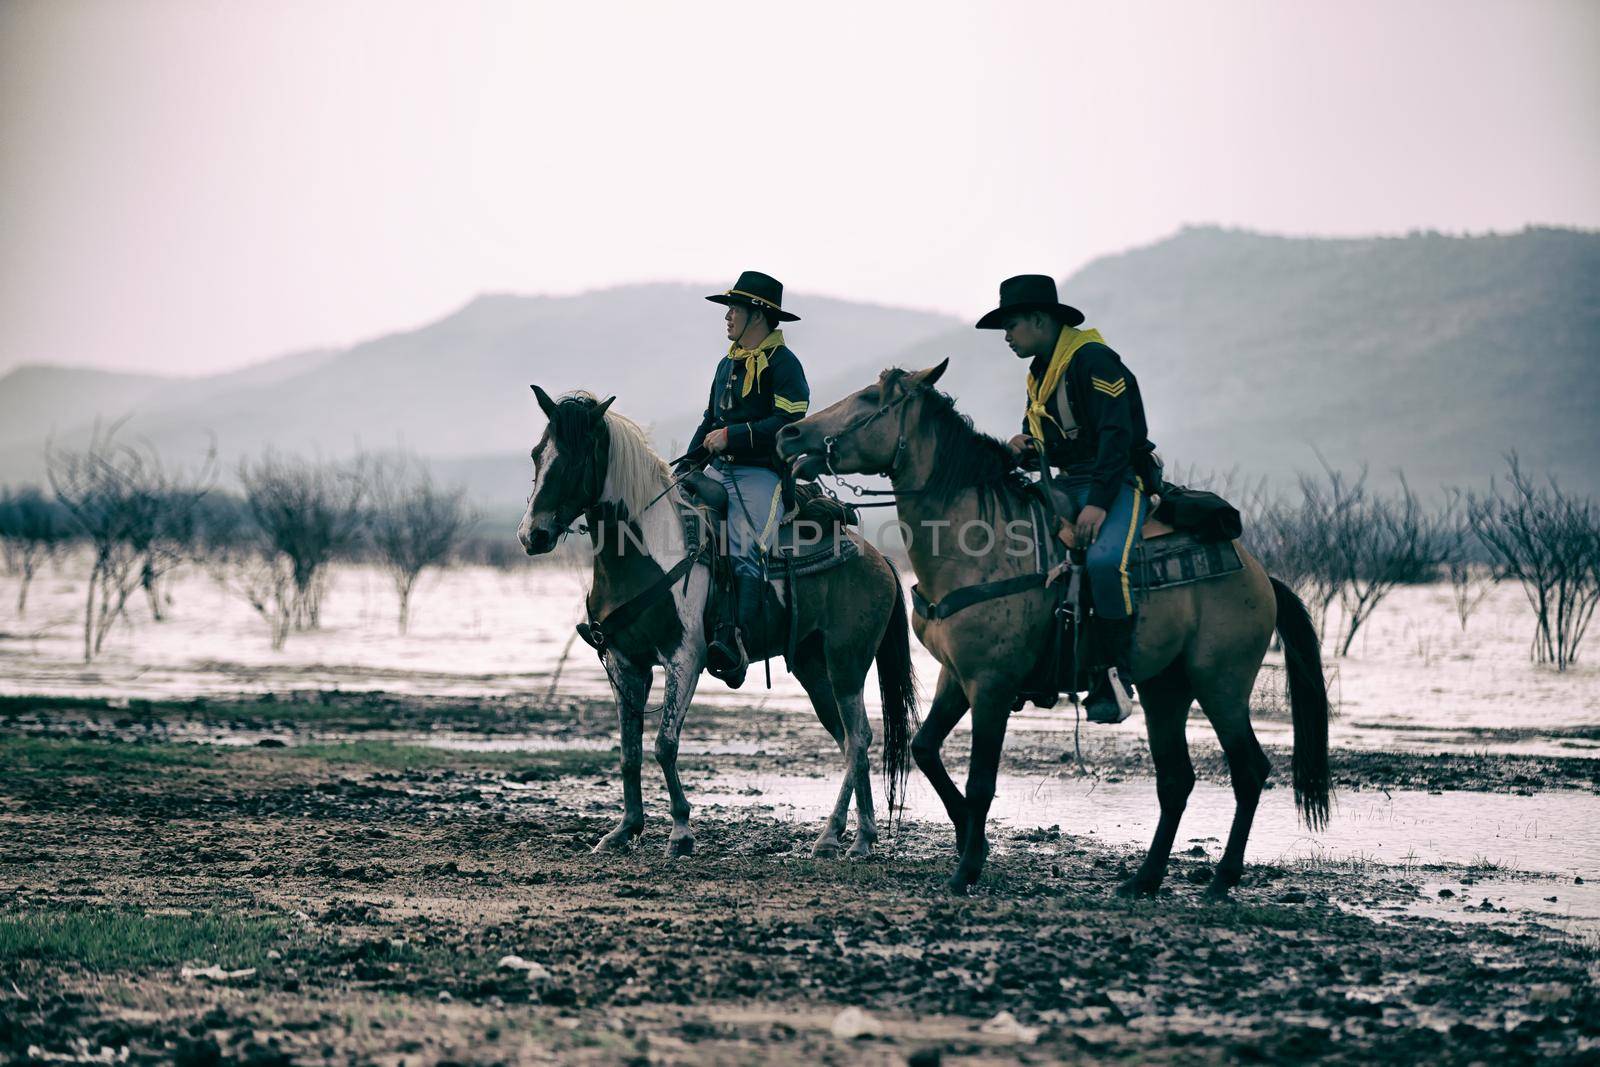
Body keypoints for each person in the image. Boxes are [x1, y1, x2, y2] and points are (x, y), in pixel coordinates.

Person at [976, 274, 1159, 723]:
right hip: (1067, 482)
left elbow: (1117, 437)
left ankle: (1114, 674)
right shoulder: (1039, 371)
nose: (1006, 336)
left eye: (1012, 325)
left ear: (1039, 320)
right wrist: (1025, 446)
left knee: (1102, 562)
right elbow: (1049, 439)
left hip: (1116, 482)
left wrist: (1098, 502)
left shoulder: (1093, 360)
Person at [682, 270, 810, 687]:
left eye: (734, 309)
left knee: (744, 539)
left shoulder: (785, 364)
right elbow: (709, 421)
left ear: (758, 314)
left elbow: (790, 420)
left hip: (761, 474)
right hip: (718, 468)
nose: (728, 317)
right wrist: (688, 462)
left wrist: (735, 435)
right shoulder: (727, 364)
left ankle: (733, 639)